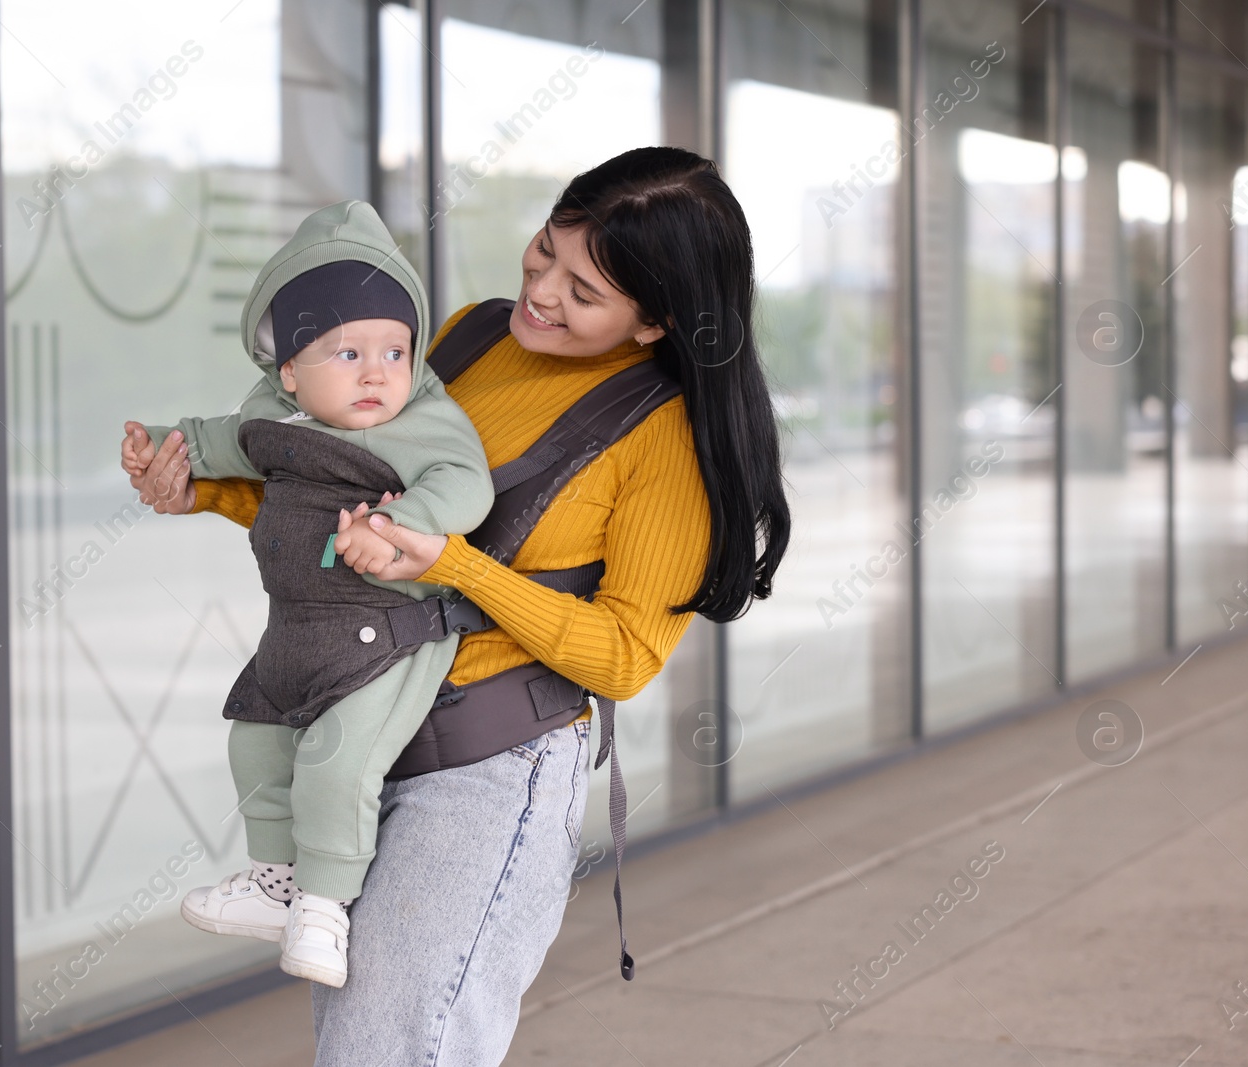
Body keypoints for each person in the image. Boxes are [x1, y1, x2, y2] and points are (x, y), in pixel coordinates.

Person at [127, 147, 791, 1065]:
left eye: (585, 291)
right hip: (362, 727)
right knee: (367, 1042)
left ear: (654, 324)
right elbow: (340, 502)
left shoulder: (663, 439)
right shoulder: (470, 338)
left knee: (391, 1048)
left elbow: (624, 657)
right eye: (544, 252)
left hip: (490, 771)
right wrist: (198, 491)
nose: (544, 292)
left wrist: (458, 564)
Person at [121, 200, 494, 988]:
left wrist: (403, 523)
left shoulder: (425, 422)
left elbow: (467, 486)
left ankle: (324, 908)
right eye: (348, 352)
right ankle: (274, 882)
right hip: (292, 632)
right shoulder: (274, 418)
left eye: (396, 350)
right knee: (253, 742)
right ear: (289, 370)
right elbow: (216, 439)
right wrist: (161, 444)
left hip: (385, 634)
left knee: (337, 761)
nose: (376, 372)